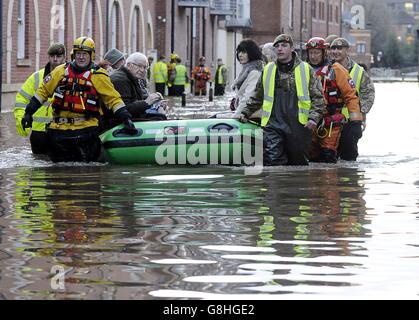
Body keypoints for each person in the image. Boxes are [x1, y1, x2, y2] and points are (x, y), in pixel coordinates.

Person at [21, 36, 136, 163]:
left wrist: (126, 117)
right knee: (57, 177)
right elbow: (42, 92)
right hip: (59, 131)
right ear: (74, 55)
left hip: (86, 130)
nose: (81, 57)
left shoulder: (99, 75)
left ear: (91, 55)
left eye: (84, 54)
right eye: (78, 54)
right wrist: (28, 112)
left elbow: (113, 99)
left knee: (89, 172)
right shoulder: (60, 71)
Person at [236, 34, 326, 166]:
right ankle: (276, 185)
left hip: (299, 125)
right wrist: (244, 112)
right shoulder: (268, 70)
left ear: (292, 48)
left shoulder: (306, 69)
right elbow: (257, 96)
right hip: (273, 125)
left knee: (298, 164)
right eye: (277, 46)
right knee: (273, 162)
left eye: (284, 46)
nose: (280, 49)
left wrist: (313, 118)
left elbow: (318, 97)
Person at [305, 37, 362, 163]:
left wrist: (356, 122)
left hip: (330, 122)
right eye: (311, 53)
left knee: (328, 156)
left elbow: (351, 96)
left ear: (324, 53)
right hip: (308, 121)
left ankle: (329, 182)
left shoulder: (337, 70)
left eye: (317, 53)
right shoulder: (302, 70)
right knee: (310, 158)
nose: (313, 56)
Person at [14, 43, 66, 155]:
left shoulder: (70, 77)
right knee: (39, 168)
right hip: (39, 132)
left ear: (64, 57)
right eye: (52, 56)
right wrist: (21, 118)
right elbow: (21, 99)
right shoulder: (36, 77)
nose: (55, 59)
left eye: (59, 56)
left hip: (62, 130)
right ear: (48, 57)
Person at [330, 37, 375, 161]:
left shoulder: (359, 71)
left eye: (339, 48)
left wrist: (361, 113)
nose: (336, 51)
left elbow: (368, 93)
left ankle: (349, 179)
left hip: (351, 122)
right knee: (329, 156)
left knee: (348, 157)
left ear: (346, 51)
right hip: (330, 119)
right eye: (333, 48)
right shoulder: (327, 68)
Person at [110, 52, 165, 119]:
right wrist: (147, 102)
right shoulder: (120, 80)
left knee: (161, 116)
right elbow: (124, 110)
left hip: (132, 116)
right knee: (160, 118)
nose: (142, 70)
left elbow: (136, 100)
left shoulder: (132, 77)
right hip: (119, 121)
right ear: (129, 65)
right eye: (139, 66)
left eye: (145, 67)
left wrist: (156, 102)